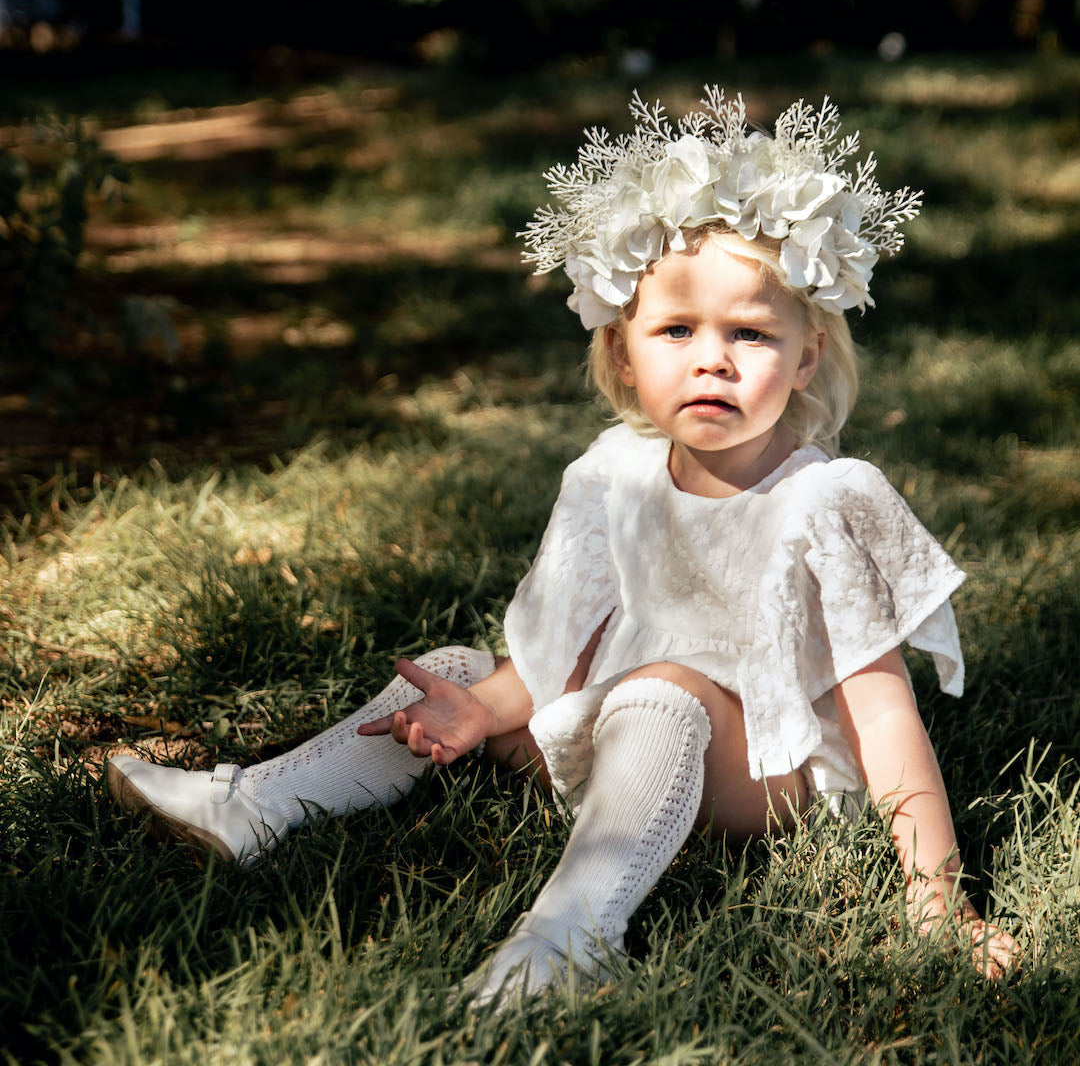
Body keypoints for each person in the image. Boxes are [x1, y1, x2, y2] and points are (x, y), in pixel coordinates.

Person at [107, 88, 1018, 1005]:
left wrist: (938, 900)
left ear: (809, 355)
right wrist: (480, 709)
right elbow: (558, 643)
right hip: (624, 729)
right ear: (624, 355)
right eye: (676, 332)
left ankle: (571, 934)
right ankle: (256, 807)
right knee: (457, 671)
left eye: (750, 333)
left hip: (764, 775)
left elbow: (884, 712)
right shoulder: (612, 472)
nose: (713, 360)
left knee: (667, 686)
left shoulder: (826, 500)